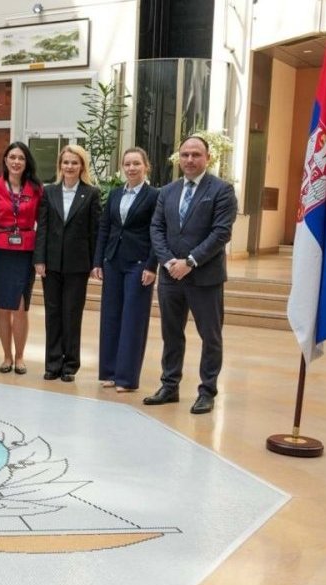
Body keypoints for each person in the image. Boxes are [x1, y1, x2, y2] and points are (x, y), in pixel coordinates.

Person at [145, 136, 236, 415]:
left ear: (207, 157)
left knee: (210, 336)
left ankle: (207, 391)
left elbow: (221, 232)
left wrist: (191, 261)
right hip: (171, 276)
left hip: (205, 277)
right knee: (171, 333)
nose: (189, 160)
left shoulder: (221, 190)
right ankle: (169, 386)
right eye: (185, 154)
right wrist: (169, 261)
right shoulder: (167, 191)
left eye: (196, 154)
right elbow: (156, 228)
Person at [92, 148, 159, 393]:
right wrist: (98, 261)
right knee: (110, 317)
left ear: (146, 166)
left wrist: (152, 265)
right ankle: (110, 372)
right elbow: (105, 228)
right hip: (113, 261)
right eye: (127, 164)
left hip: (139, 264)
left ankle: (126, 378)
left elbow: (157, 232)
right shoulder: (115, 194)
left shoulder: (154, 196)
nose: (131, 168)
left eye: (136, 163)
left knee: (133, 319)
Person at [35, 144, 101, 383]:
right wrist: (39, 258)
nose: (70, 166)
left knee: (72, 314)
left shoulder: (91, 193)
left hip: (78, 264)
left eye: (74, 162)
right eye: (66, 162)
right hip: (51, 263)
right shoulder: (49, 191)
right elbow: (42, 227)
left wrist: (95, 262)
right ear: (60, 165)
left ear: (81, 166)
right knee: (53, 313)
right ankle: (53, 363)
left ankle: (70, 365)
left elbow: (95, 230)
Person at [0, 142, 41, 376]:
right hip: (0, 250)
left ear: (26, 163)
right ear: (5, 160)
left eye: (21, 158)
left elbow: (42, 223)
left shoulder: (36, 189)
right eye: (12, 157)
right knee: (2, 307)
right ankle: (6, 356)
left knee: (20, 306)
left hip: (25, 251)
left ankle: (19, 356)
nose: (16, 162)